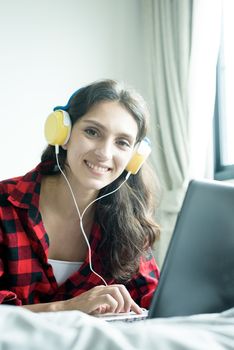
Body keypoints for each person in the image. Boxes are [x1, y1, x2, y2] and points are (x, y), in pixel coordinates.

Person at [0, 79, 160, 315]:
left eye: (122, 142)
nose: (104, 153)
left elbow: (154, 303)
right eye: (92, 132)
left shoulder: (132, 223)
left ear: (135, 158)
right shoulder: (5, 204)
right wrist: (68, 308)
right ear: (63, 133)